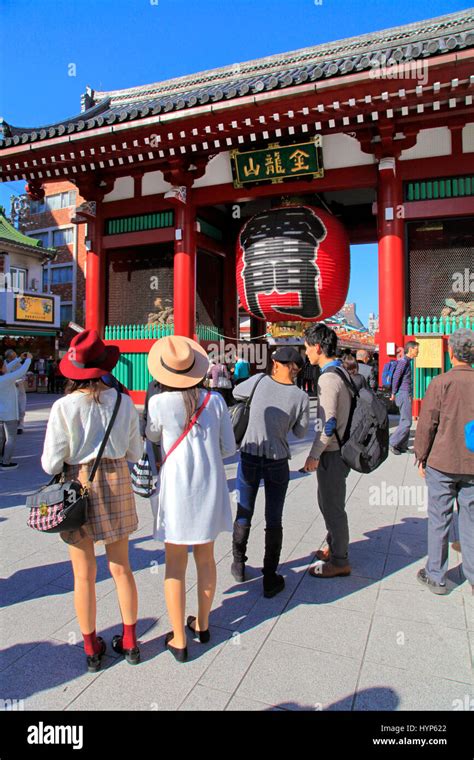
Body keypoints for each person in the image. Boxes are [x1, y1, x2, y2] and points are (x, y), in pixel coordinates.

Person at [41, 330, 143, 672]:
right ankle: (130, 642)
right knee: (121, 567)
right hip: (116, 482)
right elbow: (136, 452)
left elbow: (50, 464)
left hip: (77, 487)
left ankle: (90, 648)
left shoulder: (63, 406)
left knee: (83, 574)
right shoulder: (124, 402)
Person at [145, 335, 236, 662]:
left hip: (177, 489)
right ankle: (203, 624)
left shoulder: (158, 403)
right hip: (209, 485)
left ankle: (179, 639)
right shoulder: (216, 401)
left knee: (174, 563)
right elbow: (229, 449)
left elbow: (153, 437)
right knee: (207, 558)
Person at [231, 346, 310, 598]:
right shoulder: (301, 397)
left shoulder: (259, 381)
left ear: (276, 363)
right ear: (296, 369)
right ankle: (269, 577)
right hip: (277, 461)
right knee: (274, 519)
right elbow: (300, 432)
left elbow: (235, 391)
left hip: (249, 456)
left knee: (244, 510)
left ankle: (239, 563)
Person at [414, 328, 474, 595]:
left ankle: (436, 575)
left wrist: (421, 456)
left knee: (439, 517)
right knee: (471, 520)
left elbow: (427, 424)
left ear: (451, 354)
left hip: (442, 460)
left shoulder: (440, 383)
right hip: (472, 462)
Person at [303, 323, 353, 578]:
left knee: (332, 506)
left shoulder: (328, 378)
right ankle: (335, 547)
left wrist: (314, 455)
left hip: (332, 452)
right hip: (338, 449)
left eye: (308, 347)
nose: (306, 352)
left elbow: (328, 423)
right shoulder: (339, 371)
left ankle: (340, 559)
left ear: (318, 347)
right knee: (329, 502)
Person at [0, 352, 32, 468]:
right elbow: (21, 372)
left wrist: (18, 359)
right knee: (11, 438)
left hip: (1, 413)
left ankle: (1, 460)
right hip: (9, 414)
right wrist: (28, 360)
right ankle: (6, 462)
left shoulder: (3, 378)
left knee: (1, 438)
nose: (5, 366)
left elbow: (6, 369)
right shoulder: (5, 379)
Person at [389, 341, 420, 455]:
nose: (418, 351)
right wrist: (393, 393)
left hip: (405, 393)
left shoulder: (407, 362)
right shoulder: (403, 362)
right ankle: (393, 442)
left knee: (404, 420)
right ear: (411, 349)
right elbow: (396, 377)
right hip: (403, 393)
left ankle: (402, 445)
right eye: (417, 348)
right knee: (407, 422)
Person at [140, 378, 162, 472]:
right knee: (158, 463)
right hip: (155, 435)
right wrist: (143, 429)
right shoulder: (152, 385)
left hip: (172, 436)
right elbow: (146, 409)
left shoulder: (177, 388)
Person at [4, 349, 28, 433]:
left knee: (21, 409)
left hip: (19, 389)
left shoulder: (18, 364)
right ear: (8, 358)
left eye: (15, 357)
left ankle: (20, 426)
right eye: (12, 357)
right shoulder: (4, 365)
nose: (14, 359)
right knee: (10, 410)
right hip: (8, 392)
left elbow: (24, 375)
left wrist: (18, 382)